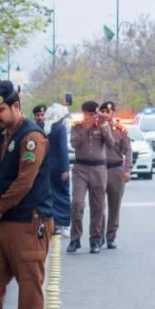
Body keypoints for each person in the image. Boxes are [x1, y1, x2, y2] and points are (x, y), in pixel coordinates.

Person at [0, 80, 54, 309]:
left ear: (16, 106)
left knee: (29, 287)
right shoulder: (4, 133)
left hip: (28, 224)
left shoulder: (31, 137)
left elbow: (24, 182)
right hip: (6, 223)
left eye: (1, 110)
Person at [68, 100, 115, 254]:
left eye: (93, 114)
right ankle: (75, 239)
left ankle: (95, 239)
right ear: (84, 114)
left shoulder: (102, 126)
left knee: (98, 206)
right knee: (77, 204)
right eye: (88, 114)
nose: (91, 117)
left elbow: (111, 144)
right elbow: (74, 143)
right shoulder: (77, 126)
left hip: (98, 168)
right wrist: (86, 128)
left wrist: (103, 127)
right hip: (80, 168)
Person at [99, 101, 131, 250]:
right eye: (103, 111)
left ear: (113, 113)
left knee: (114, 205)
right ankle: (98, 235)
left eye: (108, 111)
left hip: (116, 169)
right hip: (99, 169)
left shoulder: (120, 129)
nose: (105, 114)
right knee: (98, 204)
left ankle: (111, 236)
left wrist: (127, 169)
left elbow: (128, 150)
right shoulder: (95, 128)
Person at [42, 104, 71, 236]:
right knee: (63, 195)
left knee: (51, 195)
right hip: (59, 166)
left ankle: (52, 222)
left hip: (46, 166)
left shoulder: (44, 127)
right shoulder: (60, 128)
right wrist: (65, 168)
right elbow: (63, 149)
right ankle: (63, 223)